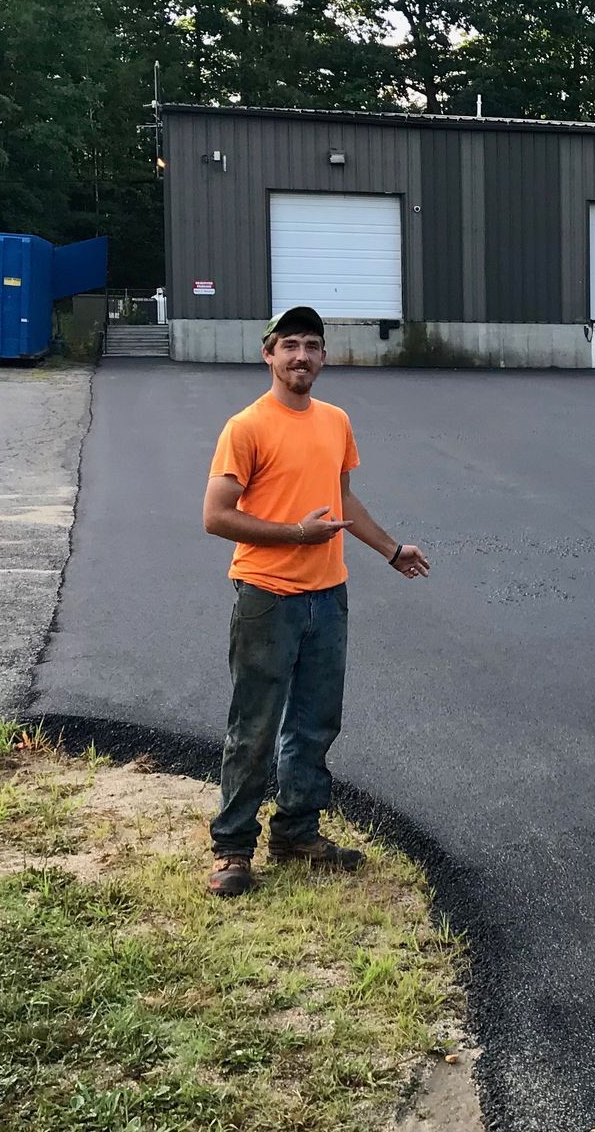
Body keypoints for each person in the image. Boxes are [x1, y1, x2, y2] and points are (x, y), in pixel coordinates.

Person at [200, 306, 430, 897]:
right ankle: (232, 848)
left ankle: (298, 832)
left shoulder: (335, 421)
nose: (301, 356)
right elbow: (216, 516)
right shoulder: (246, 426)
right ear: (268, 355)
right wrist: (295, 535)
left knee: (314, 723)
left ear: (324, 357)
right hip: (267, 597)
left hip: (328, 597)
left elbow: (342, 500)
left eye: (311, 345)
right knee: (254, 726)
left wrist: (390, 548)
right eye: (289, 345)